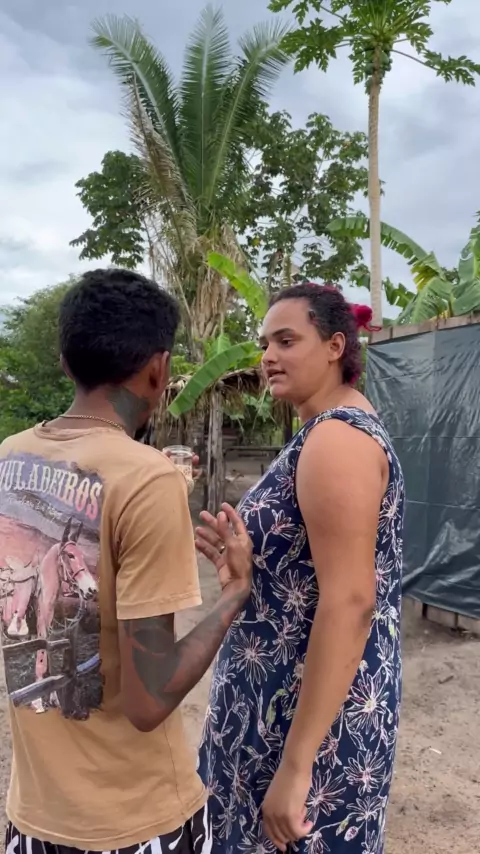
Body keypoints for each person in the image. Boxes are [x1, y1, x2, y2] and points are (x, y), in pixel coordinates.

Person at [0, 268, 253, 854]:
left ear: (64, 362)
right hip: (134, 823)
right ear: (159, 369)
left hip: (36, 819)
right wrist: (234, 595)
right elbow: (149, 700)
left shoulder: (11, 458)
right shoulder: (147, 479)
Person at [197, 283, 404, 854]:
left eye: (286, 341)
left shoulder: (336, 439)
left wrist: (296, 764)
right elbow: (310, 578)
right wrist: (247, 574)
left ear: (335, 346)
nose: (268, 356)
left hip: (302, 721)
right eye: (265, 343)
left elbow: (351, 601)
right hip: (279, 705)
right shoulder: (325, 430)